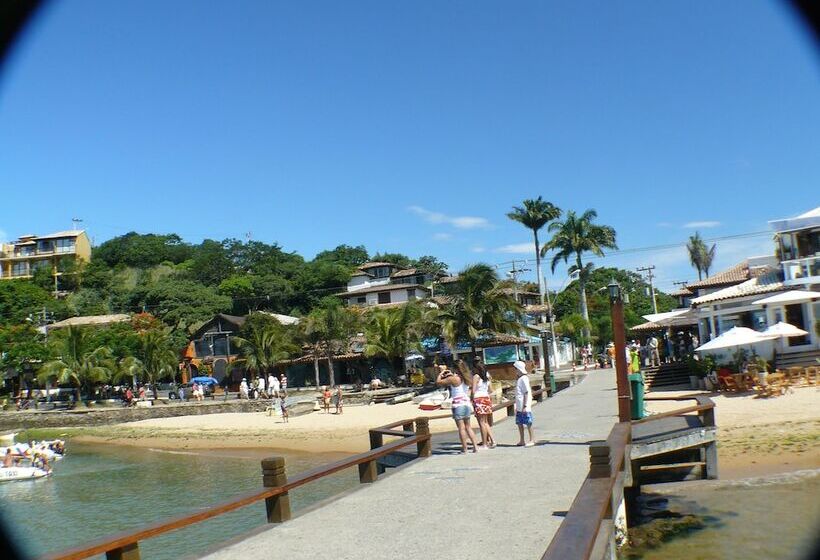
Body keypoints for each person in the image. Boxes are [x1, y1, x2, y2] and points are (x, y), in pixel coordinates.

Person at [436, 364, 479, 454]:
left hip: (458, 405)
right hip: (466, 404)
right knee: (468, 427)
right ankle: (475, 447)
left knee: (461, 428)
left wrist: (441, 373)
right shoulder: (467, 378)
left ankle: (465, 449)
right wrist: (451, 374)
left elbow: (439, 382)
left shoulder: (454, 379)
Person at [471, 360, 495, 449]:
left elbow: (473, 390)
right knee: (485, 422)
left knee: (481, 423)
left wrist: (471, 399)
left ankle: (485, 443)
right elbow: (491, 390)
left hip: (478, 399)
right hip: (486, 398)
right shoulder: (487, 377)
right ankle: (492, 440)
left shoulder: (476, 376)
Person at [513, 360, 535, 447]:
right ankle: (522, 440)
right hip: (519, 405)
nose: (515, 371)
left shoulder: (524, 379)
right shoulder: (520, 379)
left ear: (519, 369)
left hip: (524, 405)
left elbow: (526, 392)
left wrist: (525, 405)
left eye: (515, 369)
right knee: (519, 423)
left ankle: (531, 439)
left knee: (528, 422)